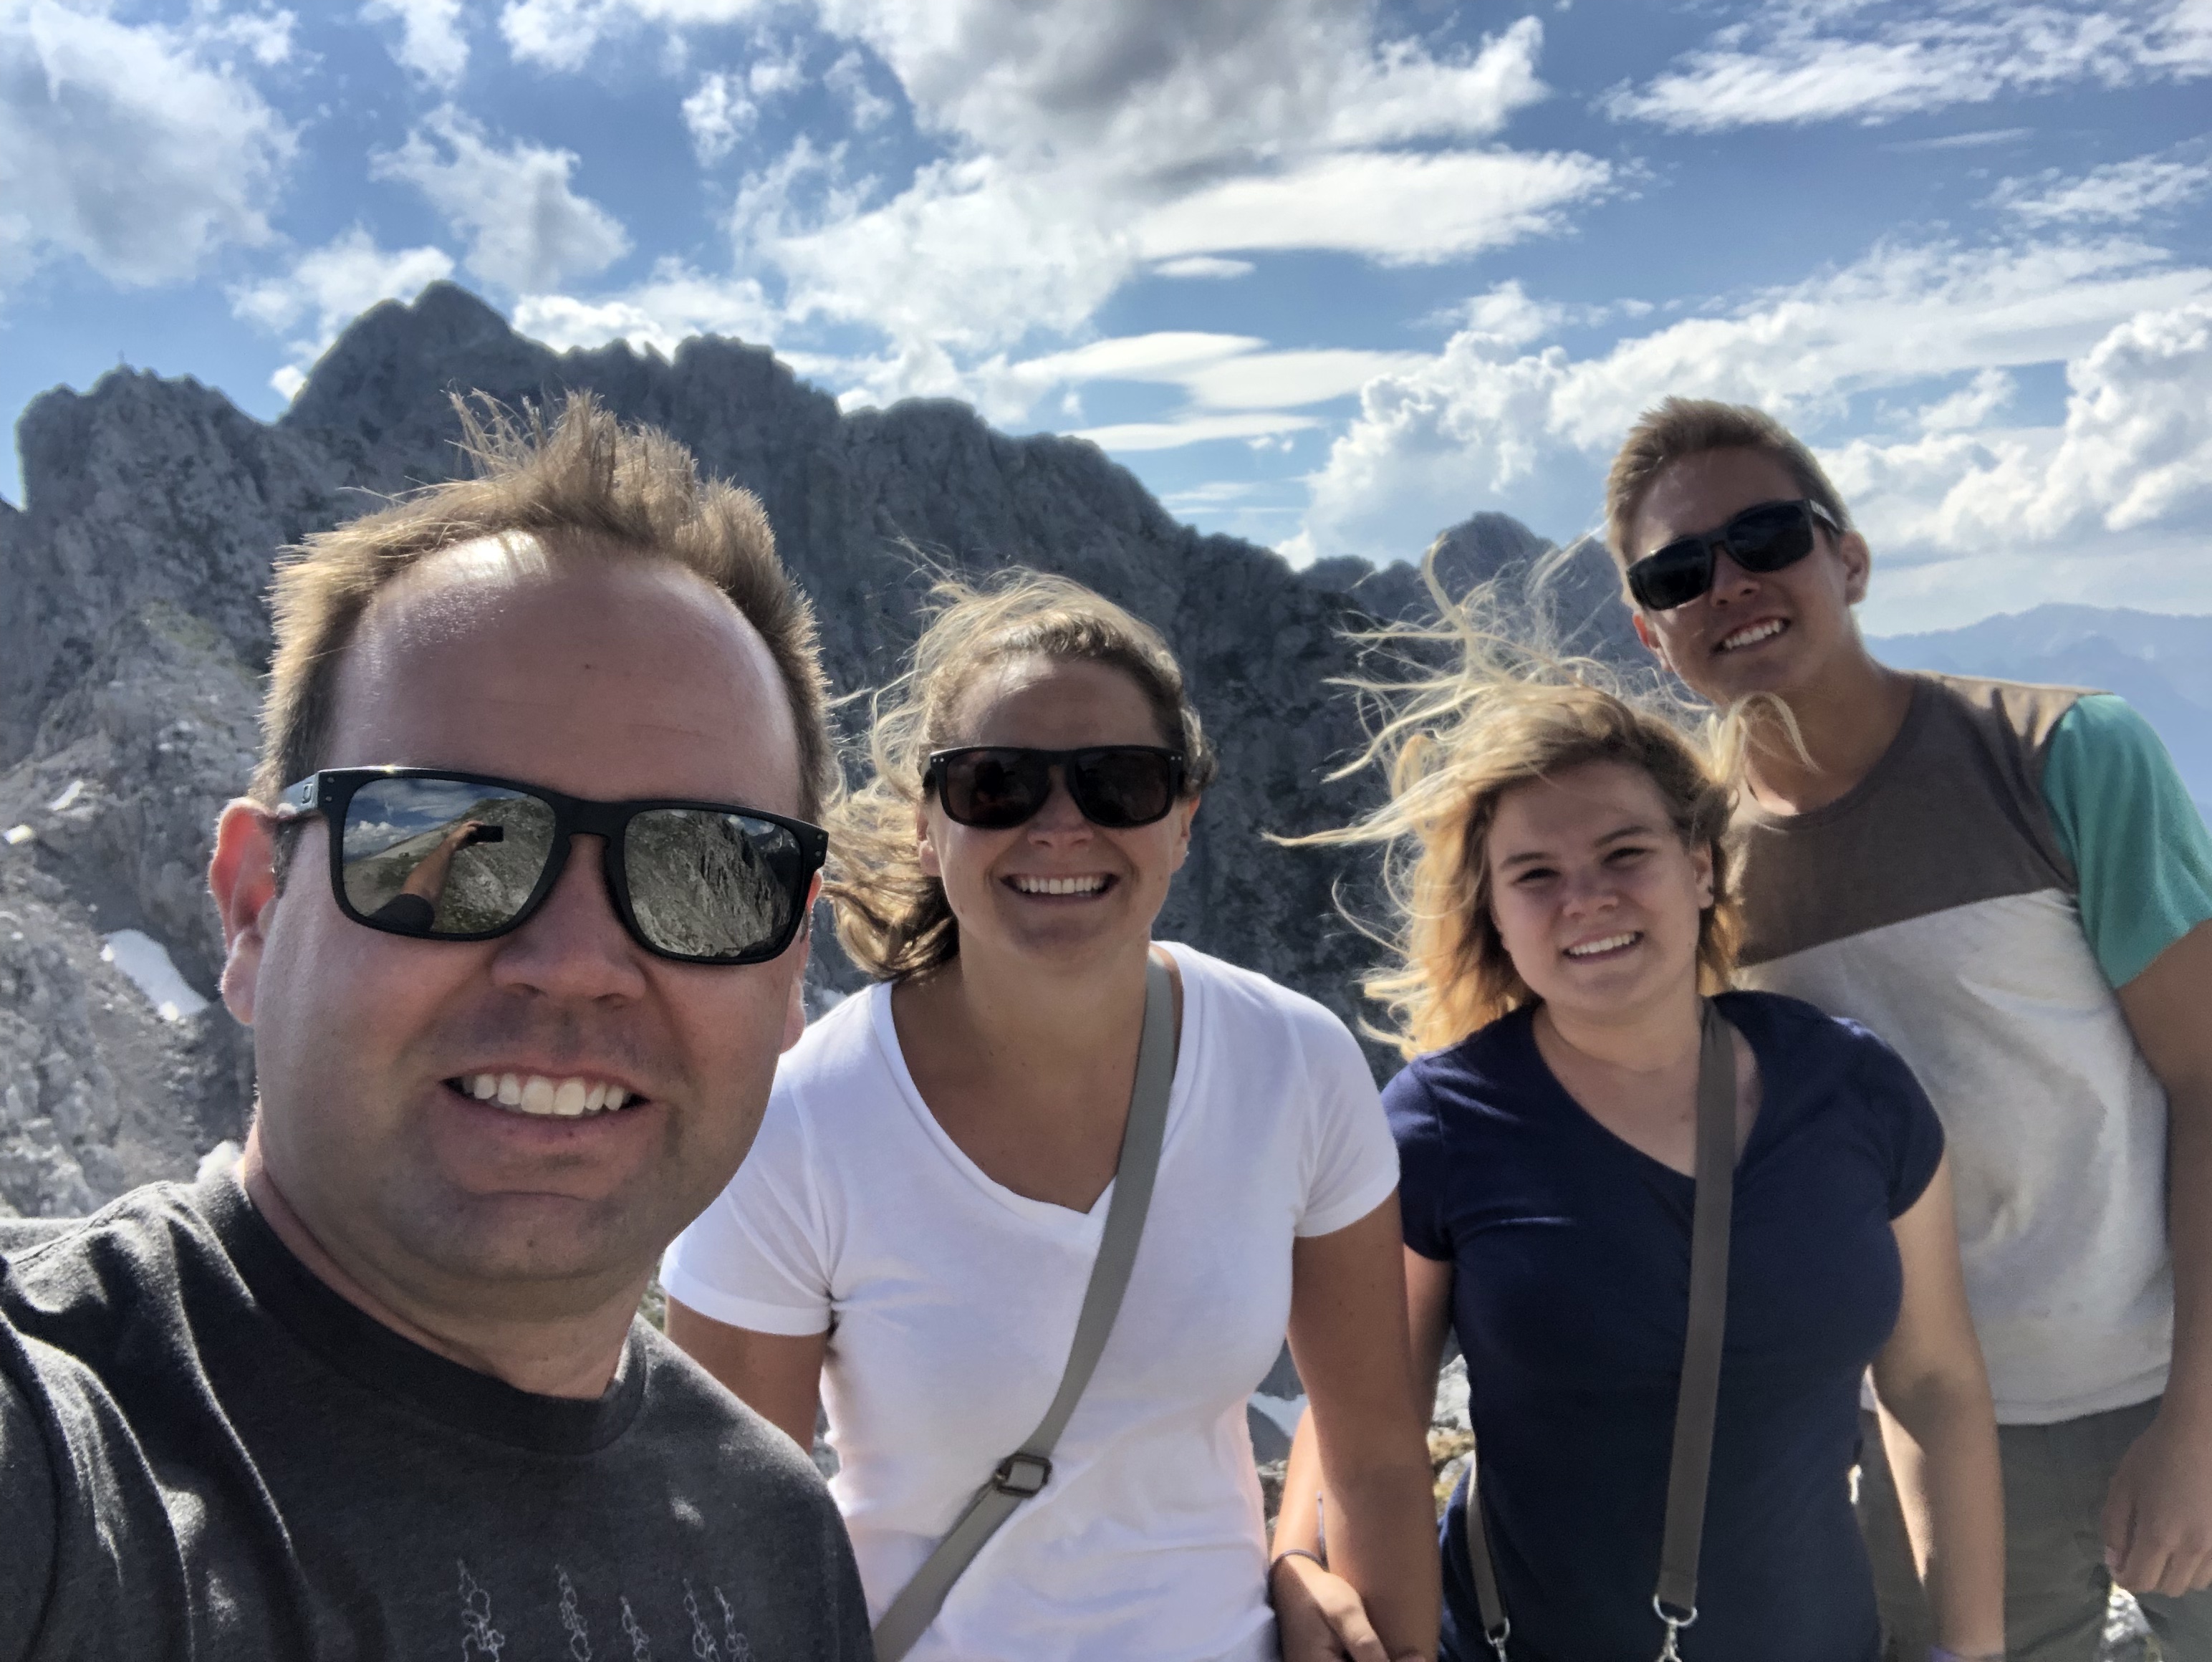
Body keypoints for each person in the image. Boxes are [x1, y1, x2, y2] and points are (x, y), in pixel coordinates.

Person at [0, 395, 873, 1658]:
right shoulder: (59, 1463)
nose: (574, 967)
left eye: (706, 874)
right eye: (447, 846)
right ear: (253, 910)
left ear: (790, 972)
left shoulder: (779, 1536)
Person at [660, 572, 1440, 1662]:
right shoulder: (797, 1123)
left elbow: (1377, 1464)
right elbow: (732, 1545)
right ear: (928, 825)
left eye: (1120, 784)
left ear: (1184, 820)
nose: (1062, 826)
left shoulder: (1294, 1064)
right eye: (997, 785)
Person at [1271, 596, 2007, 1662]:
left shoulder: (1852, 1088)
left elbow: (1934, 1383)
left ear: (1700, 866)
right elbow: (1364, 1413)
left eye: (1625, 854)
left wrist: (1972, 1649)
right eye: (1535, 875)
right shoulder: (1442, 1123)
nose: (1587, 899)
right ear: (1495, 914)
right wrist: (1297, 1554)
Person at [1603, 398, 2212, 1661]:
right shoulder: (1695, 877)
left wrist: (2198, 1426)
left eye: (1767, 538)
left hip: (2175, 1380)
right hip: (1938, 1445)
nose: (1731, 585)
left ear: (1851, 558)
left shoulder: (2061, 755)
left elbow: (2208, 1076)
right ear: (1652, 634)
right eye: (1679, 573)